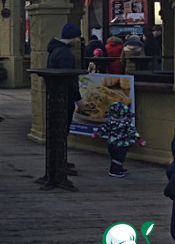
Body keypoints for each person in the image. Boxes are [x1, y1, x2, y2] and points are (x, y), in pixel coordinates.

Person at [46, 22, 84, 175]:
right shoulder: (65, 54)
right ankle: (60, 163)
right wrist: (78, 99)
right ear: (72, 37)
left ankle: (59, 161)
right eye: (77, 37)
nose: (78, 40)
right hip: (64, 96)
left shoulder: (54, 50)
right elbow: (69, 78)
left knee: (58, 129)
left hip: (55, 95)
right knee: (62, 129)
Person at [93, 101, 145, 178]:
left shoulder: (110, 122)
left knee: (114, 157)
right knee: (119, 158)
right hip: (122, 145)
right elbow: (132, 132)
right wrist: (139, 140)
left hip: (111, 143)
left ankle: (119, 168)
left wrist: (97, 134)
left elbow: (103, 129)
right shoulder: (126, 123)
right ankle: (114, 171)